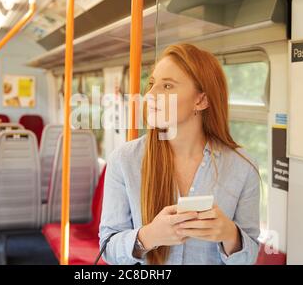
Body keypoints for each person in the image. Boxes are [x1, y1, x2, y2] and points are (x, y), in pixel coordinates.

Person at [99, 43, 260, 265]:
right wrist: (149, 236)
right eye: (152, 84)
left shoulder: (243, 168)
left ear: (201, 100)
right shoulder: (124, 160)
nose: (150, 95)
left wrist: (230, 234)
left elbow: (249, 257)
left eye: (167, 86)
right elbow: (108, 248)